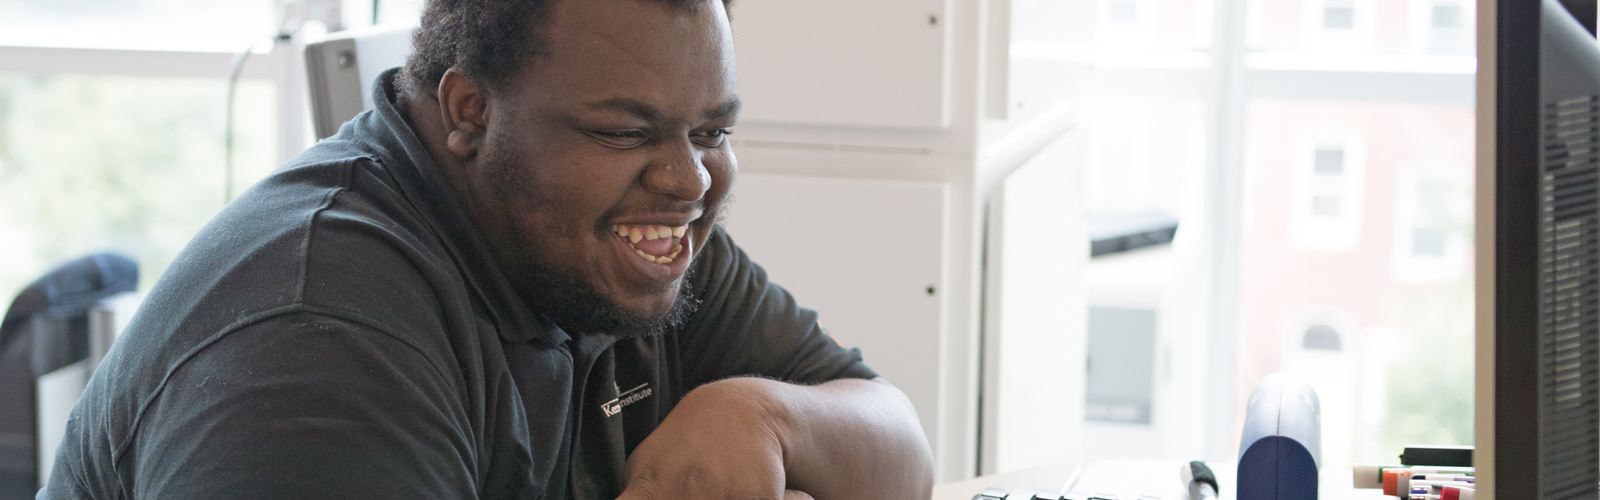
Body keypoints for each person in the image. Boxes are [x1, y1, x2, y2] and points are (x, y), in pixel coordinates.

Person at [38, 0, 935, 498]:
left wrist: (763, 417)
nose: (691, 180)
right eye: (627, 132)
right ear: (470, 112)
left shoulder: (630, 235)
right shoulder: (318, 341)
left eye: (711, 131)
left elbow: (901, 453)